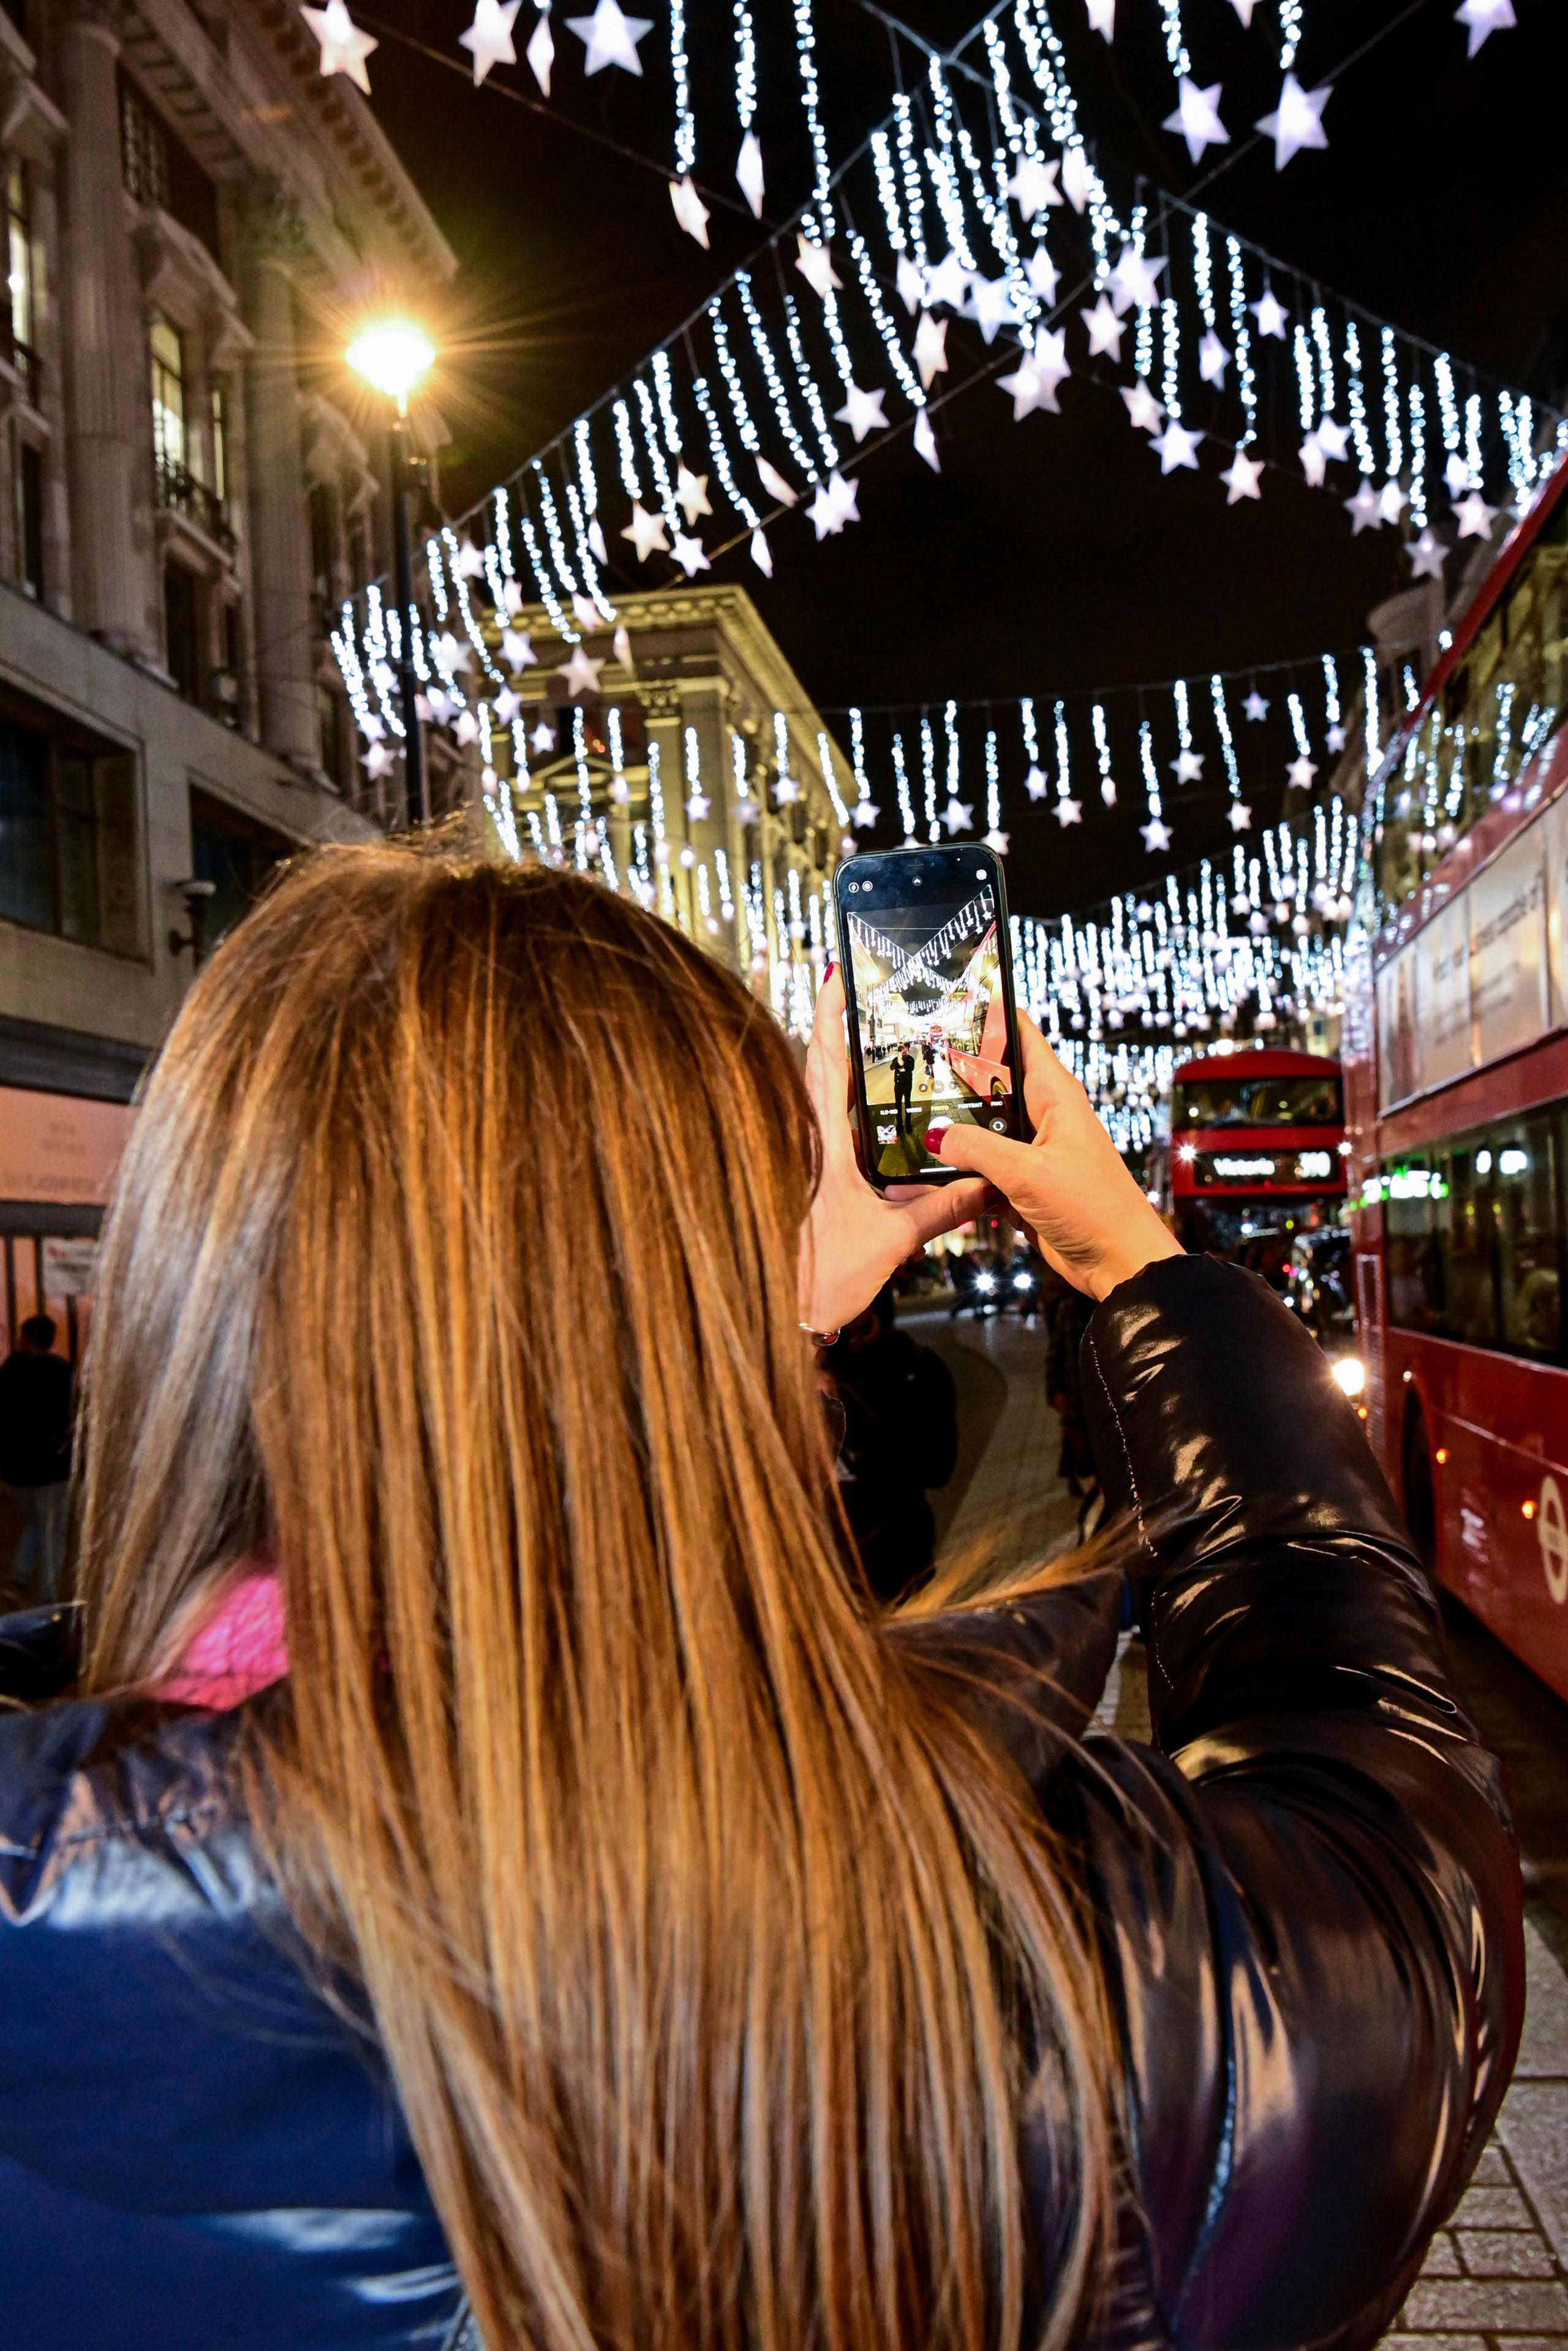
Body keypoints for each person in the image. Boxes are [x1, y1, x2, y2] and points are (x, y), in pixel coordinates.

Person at [0, 840, 1521, 2351]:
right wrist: (1132, 1261)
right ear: (694, 1320)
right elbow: (1398, 1878)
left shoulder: (51, 1897)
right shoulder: (1009, 1946)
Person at [824, 1283, 957, 1604]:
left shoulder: (914, 1369)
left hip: (899, 1554)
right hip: (840, 1566)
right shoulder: (814, 1382)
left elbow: (938, 1468)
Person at [0, 1313, 73, 1604]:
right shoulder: (64, 1371)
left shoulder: (9, 1369)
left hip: (16, 1469)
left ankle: (18, 1578)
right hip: (51, 1466)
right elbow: (75, 1414)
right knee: (53, 1531)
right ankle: (50, 1596)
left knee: (32, 1522)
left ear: (26, 1337)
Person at [892, 1038, 915, 1134]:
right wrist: (898, 1059)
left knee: (907, 1104)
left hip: (907, 1085)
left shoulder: (910, 1059)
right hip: (898, 1085)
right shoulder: (897, 1059)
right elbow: (892, 1067)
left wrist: (903, 1062)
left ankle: (908, 1124)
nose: (904, 1050)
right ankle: (899, 1125)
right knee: (898, 1105)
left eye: (905, 1048)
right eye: (902, 1048)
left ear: (908, 1049)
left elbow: (911, 1068)